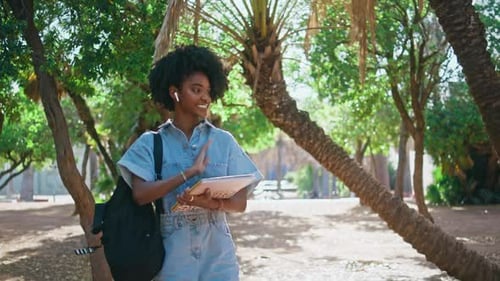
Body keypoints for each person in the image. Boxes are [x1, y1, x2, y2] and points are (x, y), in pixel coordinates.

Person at [117, 45, 263, 281]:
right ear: (175, 93)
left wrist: (209, 202)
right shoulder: (150, 143)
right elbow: (140, 194)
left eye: (208, 91)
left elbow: (239, 203)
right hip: (171, 259)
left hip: (219, 260)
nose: (205, 97)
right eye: (196, 90)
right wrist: (188, 173)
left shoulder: (223, 141)